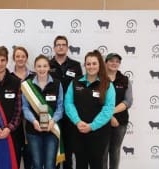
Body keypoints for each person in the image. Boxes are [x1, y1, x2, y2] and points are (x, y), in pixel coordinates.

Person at [64, 50, 115, 169]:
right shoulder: (75, 82)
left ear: (99, 65)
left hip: (99, 133)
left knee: (97, 164)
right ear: (85, 65)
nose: (91, 66)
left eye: (94, 63)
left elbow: (108, 109)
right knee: (80, 163)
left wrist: (92, 126)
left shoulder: (107, 84)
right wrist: (77, 121)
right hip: (79, 131)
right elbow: (68, 103)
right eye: (88, 64)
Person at [21, 54, 64, 169]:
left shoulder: (57, 84)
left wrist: (53, 121)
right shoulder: (27, 85)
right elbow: (25, 107)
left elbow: (60, 107)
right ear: (34, 68)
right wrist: (34, 121)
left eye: (45, 66)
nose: (42, 69)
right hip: (33, 131)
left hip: (52, 130)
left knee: (50, 165)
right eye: (39, 66)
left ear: (49, 67)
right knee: (37, 164)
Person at [49, 35, 83, 169]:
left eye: (63, 44)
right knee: (54, 148)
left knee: (69, 149)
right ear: (54, 47)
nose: (61, 46)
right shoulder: (48, 65)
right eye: (58, 44)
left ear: (67, 47)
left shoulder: (75, 65)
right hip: (53, 112)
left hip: (71, 113)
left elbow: (80, 88)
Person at [103, 53, 133, 169]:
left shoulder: (125, 80)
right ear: (105, 63)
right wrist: (109, 117)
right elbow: (96, 101)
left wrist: (110, 113)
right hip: (102, 121)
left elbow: (128, 101)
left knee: (115, 150)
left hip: (120, 122)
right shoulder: (99, 79)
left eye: (117, 61)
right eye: (111, 61)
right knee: (103, 151)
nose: (114, 63)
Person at [11, 46, 34, 169]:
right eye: (17, 56)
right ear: (14, 58)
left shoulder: (34, 76)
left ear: (26, 58)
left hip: (31, 120)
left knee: (29, 155)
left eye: (23, 56)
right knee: (15, 154)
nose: (20, 59)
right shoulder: (8, 77)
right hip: (14, 121)